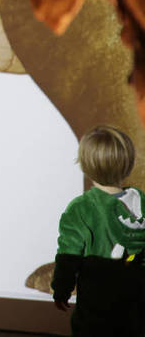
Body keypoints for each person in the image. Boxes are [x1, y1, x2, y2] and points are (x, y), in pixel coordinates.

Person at [52, 125, 145, 336]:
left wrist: (61, 290)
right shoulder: (143, 204)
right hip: (136, 308)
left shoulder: (81, 209)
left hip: (96, 311)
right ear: (129, 163)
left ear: (84, 164)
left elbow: (68, 256)